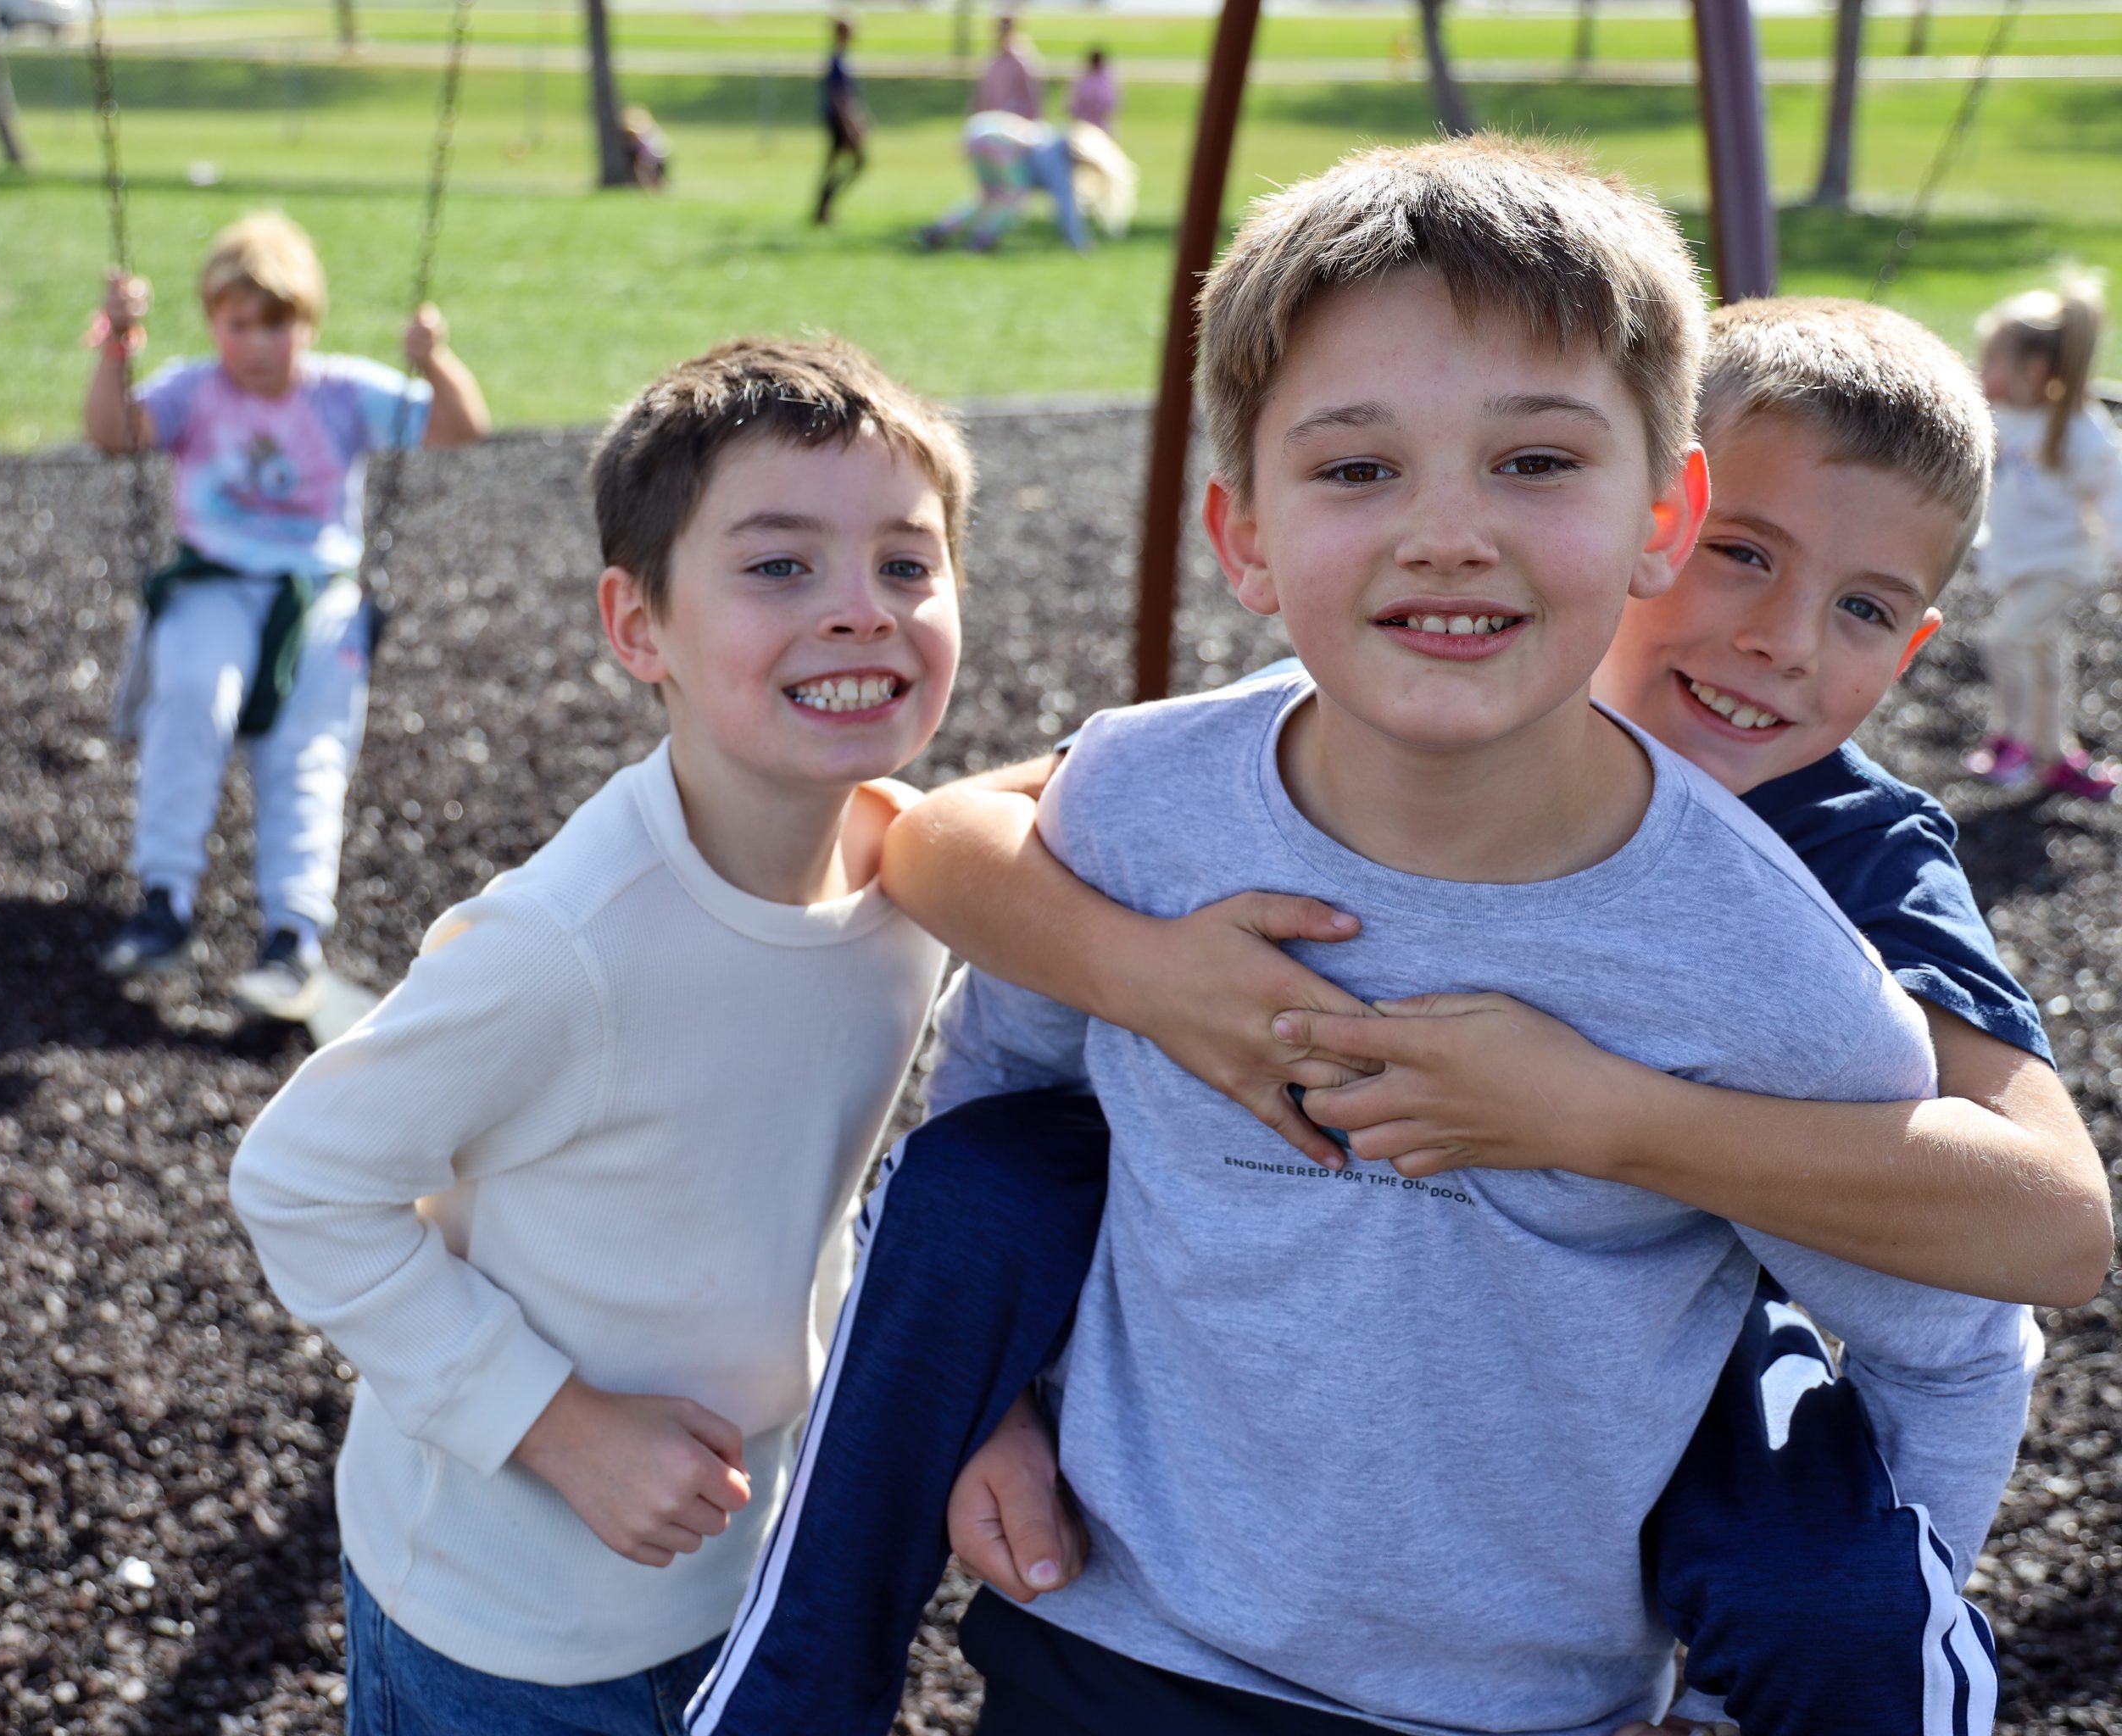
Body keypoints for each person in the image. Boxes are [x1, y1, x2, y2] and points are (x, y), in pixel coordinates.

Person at [687, 151, 2055, 1736]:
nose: (1450, 534)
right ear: (1244, 532)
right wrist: (995, 1382)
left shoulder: (1797, 948)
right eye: (1358, 470)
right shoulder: (1152, 796)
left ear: (1654, 514)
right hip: (1117, 1640)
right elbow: (986, 1061)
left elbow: (1977, 1315)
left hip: (1515, 1689)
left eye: (1535, 462)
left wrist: (1600, 1117)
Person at [227, 336, 972, 1736]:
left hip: (750, 1557)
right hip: (507, 1613)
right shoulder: (567, 946)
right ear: (639, 628)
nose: (861, 610)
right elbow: (299, 1178)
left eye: (907, 563)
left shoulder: (914, 883)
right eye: (778, 566)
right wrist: (559, 1422)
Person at [85, 211, 489, 1020]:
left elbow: (460, 429)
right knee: (194, 697)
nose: (258, 344)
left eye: (277, 324)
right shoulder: (194, 390)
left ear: (307, 325)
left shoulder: (341, 392)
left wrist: (434, 362)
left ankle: (292, 936)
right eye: (239, 324)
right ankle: (164, 900)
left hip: (317, 599)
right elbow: (114, 437)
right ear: (213, 324)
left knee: (307, 756)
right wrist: (116, 350)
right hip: (211, 583)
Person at [1963, 278, 2122, 799]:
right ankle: (2057, 754)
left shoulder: (2080, 430)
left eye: (1992, 362)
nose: (1981, 372)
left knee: (2007, 639)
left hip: (2062, 562)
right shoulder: (2003, 417)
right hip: (2016, 558)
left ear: (2032, 370)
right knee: (2044, 654)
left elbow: (2113, 497)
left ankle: (2014, 741)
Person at [920, 113, 1135, 254]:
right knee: (1014, 198)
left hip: (978, 135)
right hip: (997, 143)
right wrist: (1080, 245)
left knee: (988, 199)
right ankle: (983, 239)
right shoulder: (1057, 159)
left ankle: (941, 231)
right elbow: (1066, 206)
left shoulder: (1048, 137)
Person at [815, 16, 866, 225]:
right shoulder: (836, 61)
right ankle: (824, 206)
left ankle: (823, 209)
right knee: (857, 163)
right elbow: (839, 97)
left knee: (834, 165)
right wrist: (850, 124)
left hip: (841, 119)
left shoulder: (842, 59)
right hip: (839, 121)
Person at [971, 14, 1042, 120]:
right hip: (992, 120)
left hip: (1016, 120)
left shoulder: (1021, 62)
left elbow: (1031, 100)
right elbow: (983, 98)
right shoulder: (992, 62)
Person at [1067, 47, 1117, 134]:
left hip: (1087, 125)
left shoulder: (1083, 78)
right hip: (1091, 125)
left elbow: (1073, 105)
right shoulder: (1107, 79)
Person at [623, 103, 671, 191]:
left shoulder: (642, 130)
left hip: (650, 157)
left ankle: (648, 189)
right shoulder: (652, 129)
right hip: (655, 156)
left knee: (644, 172)